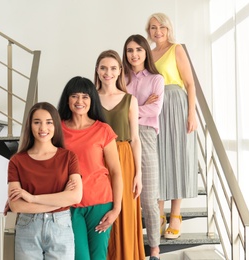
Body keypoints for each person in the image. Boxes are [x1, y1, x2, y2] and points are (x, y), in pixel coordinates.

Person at [57, 76, 123, 260]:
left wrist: (116, 209)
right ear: (67, 99)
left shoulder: (103, 130)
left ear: (92, 99)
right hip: (70, 205)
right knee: (80, 258)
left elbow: (116, 172)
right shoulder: (56, 130)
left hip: (101, 205)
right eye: (74, 96)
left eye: (85, 96)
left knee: (98, 257)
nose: (80, 101)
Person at [145, 12, 198, 240]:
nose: (158, 32)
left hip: (175, 104)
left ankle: (175, 215)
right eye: (153, 28)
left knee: (176, 157)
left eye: (162, 28)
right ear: (148, 31)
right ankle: (158, 214)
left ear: (168, 29)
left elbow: (189, 83)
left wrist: (191, 113)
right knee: (156, 159)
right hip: (155, 109)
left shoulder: (176, 49)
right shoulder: (147, 54)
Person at [7, 102, 83, 259]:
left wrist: (32, 198)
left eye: (49, 122)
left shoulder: (68, 157)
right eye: (37, 122)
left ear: (55, 125)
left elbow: (75, 197)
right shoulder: (17, 161)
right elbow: (16, 205)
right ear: (30, 125)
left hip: (61, 226)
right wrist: (61, 199)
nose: (43, 128)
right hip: (27, 227)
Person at [94, 50, 145, 260]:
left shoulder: (129, 100)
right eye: (104, 68)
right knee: (101, 211)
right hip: (98, 159)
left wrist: (139, 173)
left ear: (120, 71)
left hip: (124, 159)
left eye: (113, 68)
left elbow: (135, 138)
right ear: (97, 70)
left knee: (124, 212)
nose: (108, 72)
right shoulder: (90, 98)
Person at [122, 34, 164, 259]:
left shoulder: (156, 79)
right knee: (125, 196)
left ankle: (154, 250)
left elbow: (155, 110)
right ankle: (130, 248)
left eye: (138, 49)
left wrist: (131, 111)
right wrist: (139, 107)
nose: (134, 54)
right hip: (122, 137)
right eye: (129, 50)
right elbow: (115, 108)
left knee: (148, 198)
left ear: (146, 51)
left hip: (146, 136)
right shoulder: (121, 78)